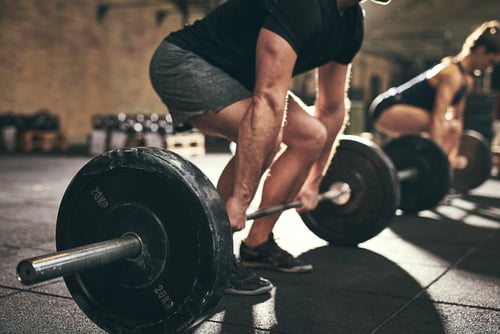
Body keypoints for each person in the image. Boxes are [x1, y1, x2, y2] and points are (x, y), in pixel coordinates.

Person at [149, 0, 392, 296]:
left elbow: (331, 108)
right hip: (185, 62)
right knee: (268, 138)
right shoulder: (303, 5)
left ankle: (257, 244)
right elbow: (268, 99)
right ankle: (214, 256)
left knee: (311, 135)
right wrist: (240, 197)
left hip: (240, 78)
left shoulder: (351, 21)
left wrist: (315, 181)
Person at [370, 20, 500, 167]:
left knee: (454, 126)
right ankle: (434, 165)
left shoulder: (467, 81)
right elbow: (438, 118)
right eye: (491, 62)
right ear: (481, 50)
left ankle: (439, 165)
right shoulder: (451, 73)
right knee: (445, 125)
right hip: (386, 108)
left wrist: (453, 155)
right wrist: (436, 160)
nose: (489, 68)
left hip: (411, 113)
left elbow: (458, 119)